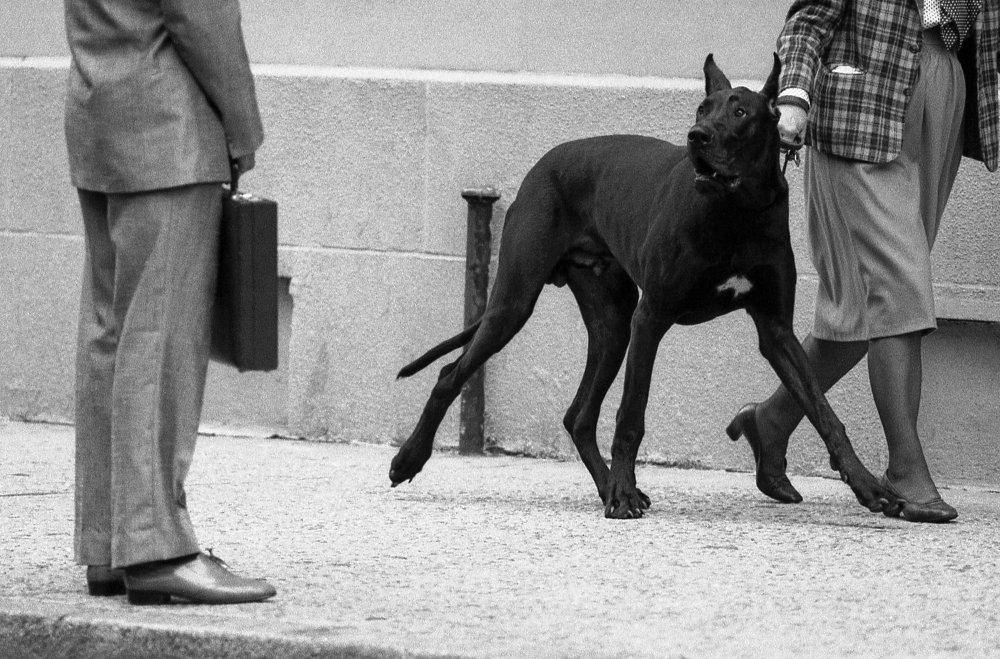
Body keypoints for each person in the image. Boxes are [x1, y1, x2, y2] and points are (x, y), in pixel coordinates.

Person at [727, 0, 999, 523]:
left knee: (862, 307)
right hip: (860, 99)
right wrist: (793, 96)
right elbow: (807, 20)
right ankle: (906, 470)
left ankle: (772, 421)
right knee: (900, 287)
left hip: (943, 85)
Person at [66, 0, 277, 603]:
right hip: (167, 129)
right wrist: (243, 127)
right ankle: (155, 548)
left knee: (111, 333)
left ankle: (110, 544)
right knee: (159, 339)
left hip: (99, 116)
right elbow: (200, 16)